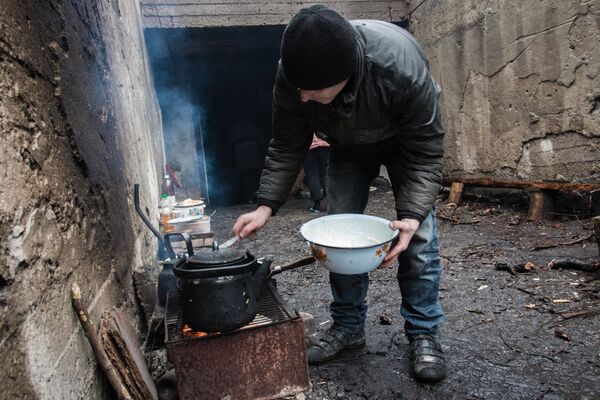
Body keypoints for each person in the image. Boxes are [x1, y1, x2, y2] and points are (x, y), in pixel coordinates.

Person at [232, 5, 446, 383]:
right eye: (298, 89)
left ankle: (423, 332)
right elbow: (286, 143)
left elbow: (426, 151)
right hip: (346, 148)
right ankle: (348, 327)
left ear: (344, 76)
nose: (302, 98)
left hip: (406, 146)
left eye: (312, 92)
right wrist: (266, 205)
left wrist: (411, 216)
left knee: (419, 239)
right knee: (339, 239)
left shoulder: (399, 68)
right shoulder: (295, 74)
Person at [303, 133, 330, 212]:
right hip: (324, 145)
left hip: (308, 147)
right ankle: (331, 203)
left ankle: (317, 206)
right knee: (325, 173)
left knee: (312, 175)